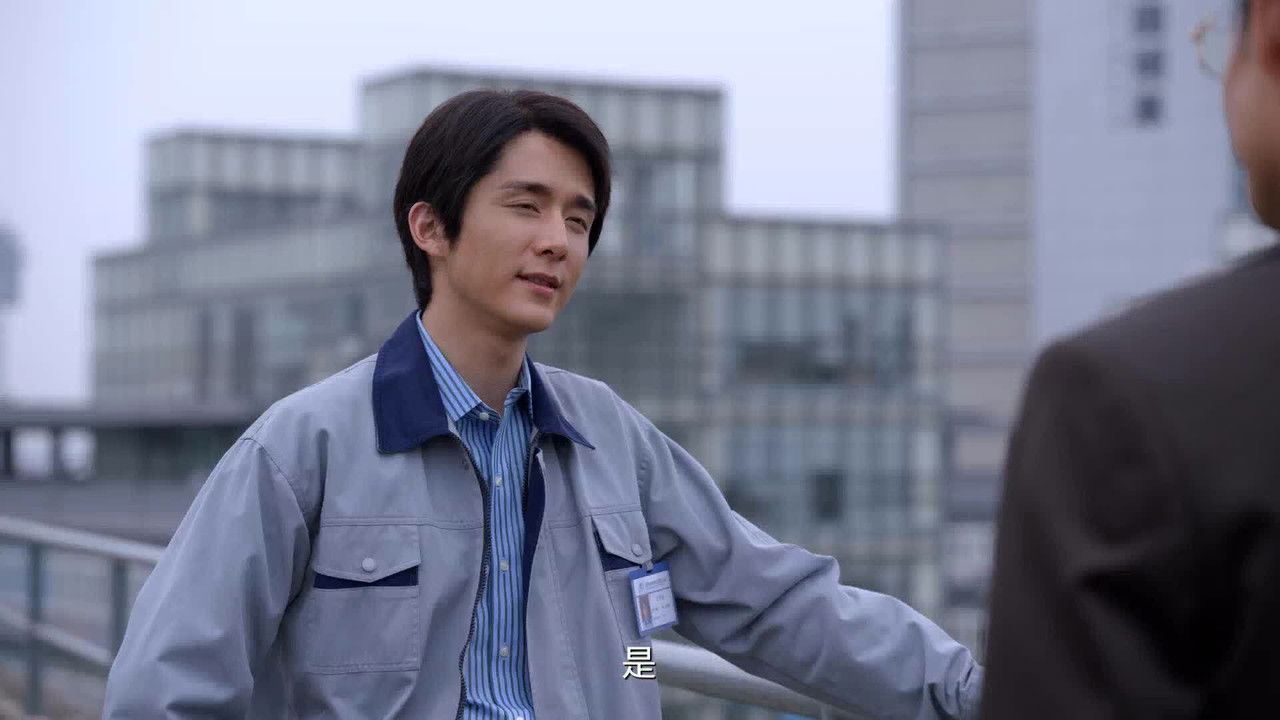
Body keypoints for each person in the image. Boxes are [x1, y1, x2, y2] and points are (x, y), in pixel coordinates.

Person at [103, 88, 982, 719]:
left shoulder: (612, 440)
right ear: (430, 228)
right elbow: (165, 689)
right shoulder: (304, 448)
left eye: (578, 218)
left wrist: (986, 691)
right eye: (526, 207)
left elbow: (777, 603)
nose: (557, 240)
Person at [981, 2, 1280, 717]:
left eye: (1223, 50)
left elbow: (768, 596)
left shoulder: (1127, 398)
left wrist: (961, 684)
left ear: (1269, 32)